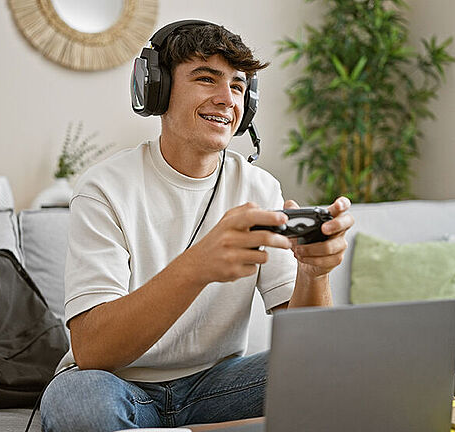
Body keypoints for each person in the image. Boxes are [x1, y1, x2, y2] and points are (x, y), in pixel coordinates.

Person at [39, 20, 354, 432]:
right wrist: (196, 267)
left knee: (335, 374)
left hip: (217, 386)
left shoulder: (259, 187)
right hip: (118, 384)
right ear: (158, 89)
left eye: (238, 86)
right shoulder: (104, 188)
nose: (227, 99)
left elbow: (312, 348)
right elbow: (92, 349)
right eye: (207, 79)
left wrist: (314, 273)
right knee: (79, 405)